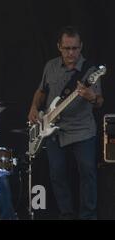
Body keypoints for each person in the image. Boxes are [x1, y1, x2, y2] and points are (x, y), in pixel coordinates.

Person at [27, 26, 103, 220]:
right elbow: (41, 91)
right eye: (67, 48)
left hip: (82, 129)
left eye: (75, 48)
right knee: (57, 174)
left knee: (87, 173)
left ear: (81, 47)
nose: (71, 53)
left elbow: (100, 101)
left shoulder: (90, 71)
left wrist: (91, 96)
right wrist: (34, 108)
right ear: (59, 47)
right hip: (53, 130)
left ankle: (88, 216)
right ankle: (66, 214)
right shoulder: (50, 66)